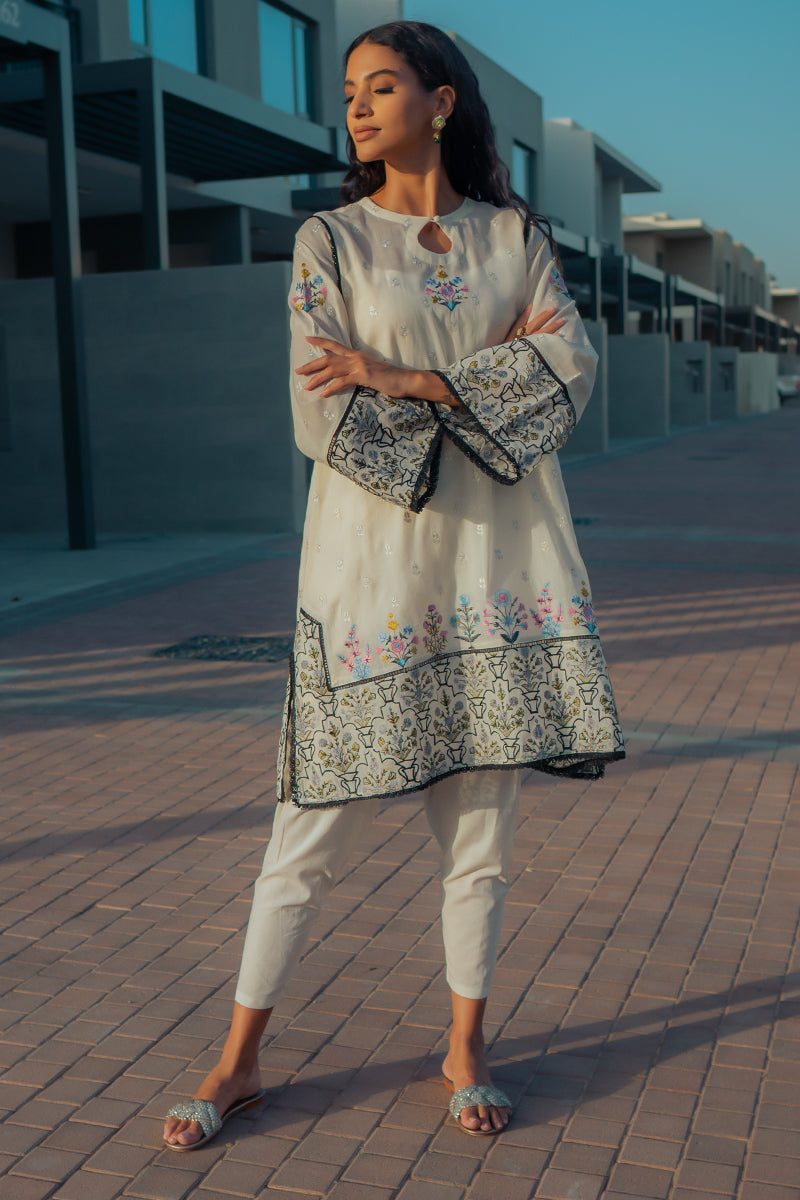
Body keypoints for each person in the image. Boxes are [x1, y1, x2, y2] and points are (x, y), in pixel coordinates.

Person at [163, 19, 624, 1150]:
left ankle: (466, 1047)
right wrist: (467, 381)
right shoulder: (328, 241)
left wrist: (406, 376)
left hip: (494, 575)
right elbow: (320, 400)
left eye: (381, 86)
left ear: (441, 101)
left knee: (481, 845)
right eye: (350, 90)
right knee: (305, 833)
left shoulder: (514, 238)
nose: (358, 107)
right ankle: (239, 1059)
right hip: (367, 579)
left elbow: (567, 367)